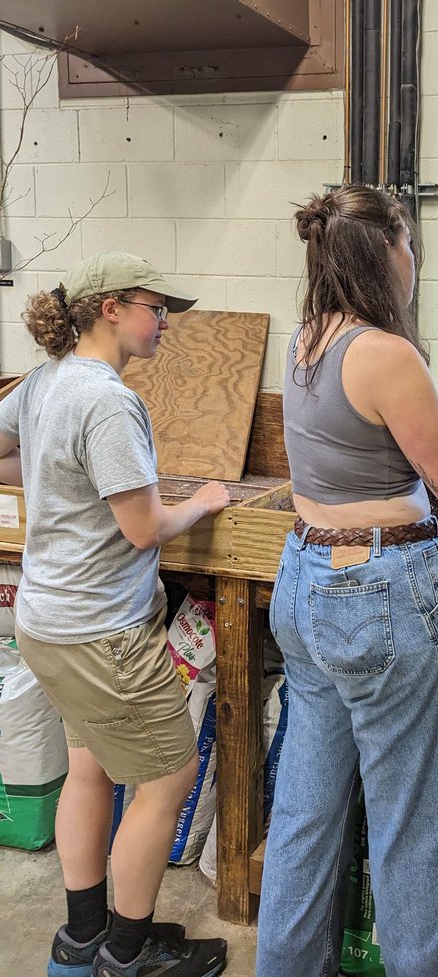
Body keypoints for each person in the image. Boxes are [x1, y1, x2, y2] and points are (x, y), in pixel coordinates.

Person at [255, 186, 438, 977]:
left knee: (305, 820)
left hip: (308, 584)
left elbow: (396, 424)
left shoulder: (310, 339)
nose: (414, 260)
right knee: (411, 825)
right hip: (378, 592)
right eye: (409, 243)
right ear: (383, 254)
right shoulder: (388, 352)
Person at [0, 252, 231, 977]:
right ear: (110, 307)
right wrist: (203, 503)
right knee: (167, 778)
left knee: (89, 767)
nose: (165, 323)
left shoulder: (45, 382)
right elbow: (142, 527)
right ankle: (126, 958)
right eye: (156, 308)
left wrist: (45, 467)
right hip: (102, 632)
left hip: (48, 625)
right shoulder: (103, 398)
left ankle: (82, 940)